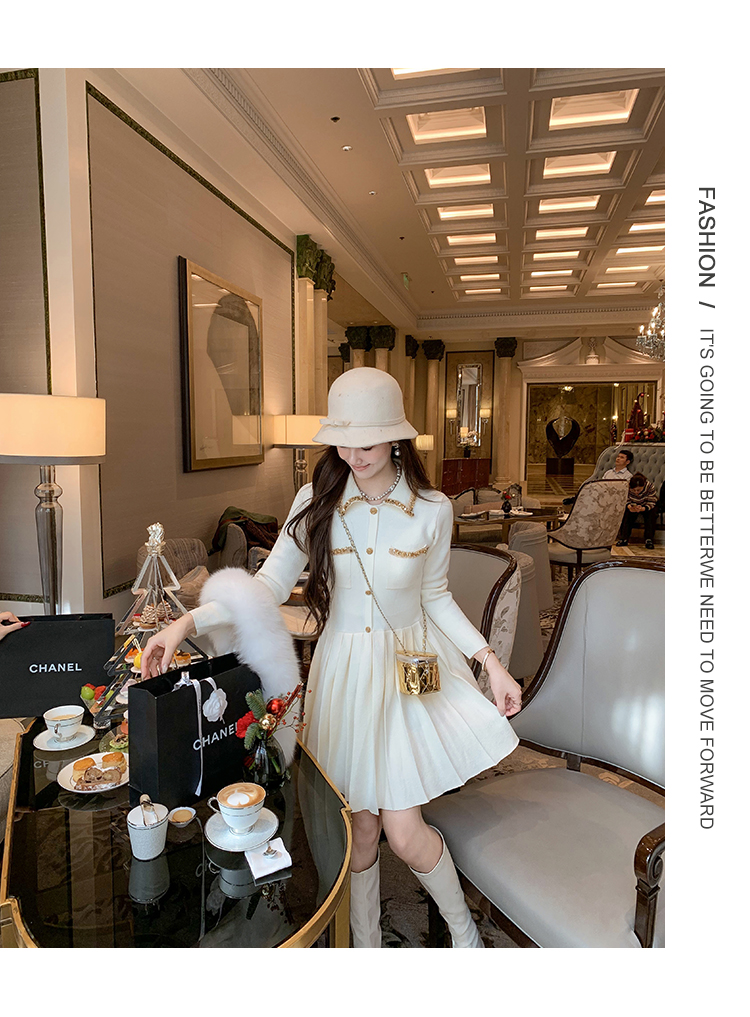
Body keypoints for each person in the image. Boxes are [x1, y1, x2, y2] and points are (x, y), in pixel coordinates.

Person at [141, 367, 521, 948]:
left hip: (408, 671)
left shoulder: (432, 508)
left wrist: (489, 662)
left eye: (365, 444)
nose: (352, 456)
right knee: (359, 830)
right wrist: (186, 622)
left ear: (395, 437)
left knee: (404, 830)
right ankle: (365, 947)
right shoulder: (316, 499)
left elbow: (436, 597)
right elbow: (267, 587)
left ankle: (464, 935)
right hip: (343, 674)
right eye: (342, 442)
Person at [616, 472, 658, 549]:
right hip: (632, 505)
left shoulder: (649, 486)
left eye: (638, 490)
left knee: (651, 514)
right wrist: (629, 506)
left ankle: (649, 539)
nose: (636, 492)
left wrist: (644, 508)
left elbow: (652, 500)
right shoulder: (627, 486)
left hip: (646, 505)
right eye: (634, 490)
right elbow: (624, 498)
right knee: (626, 514)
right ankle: (624, 538)